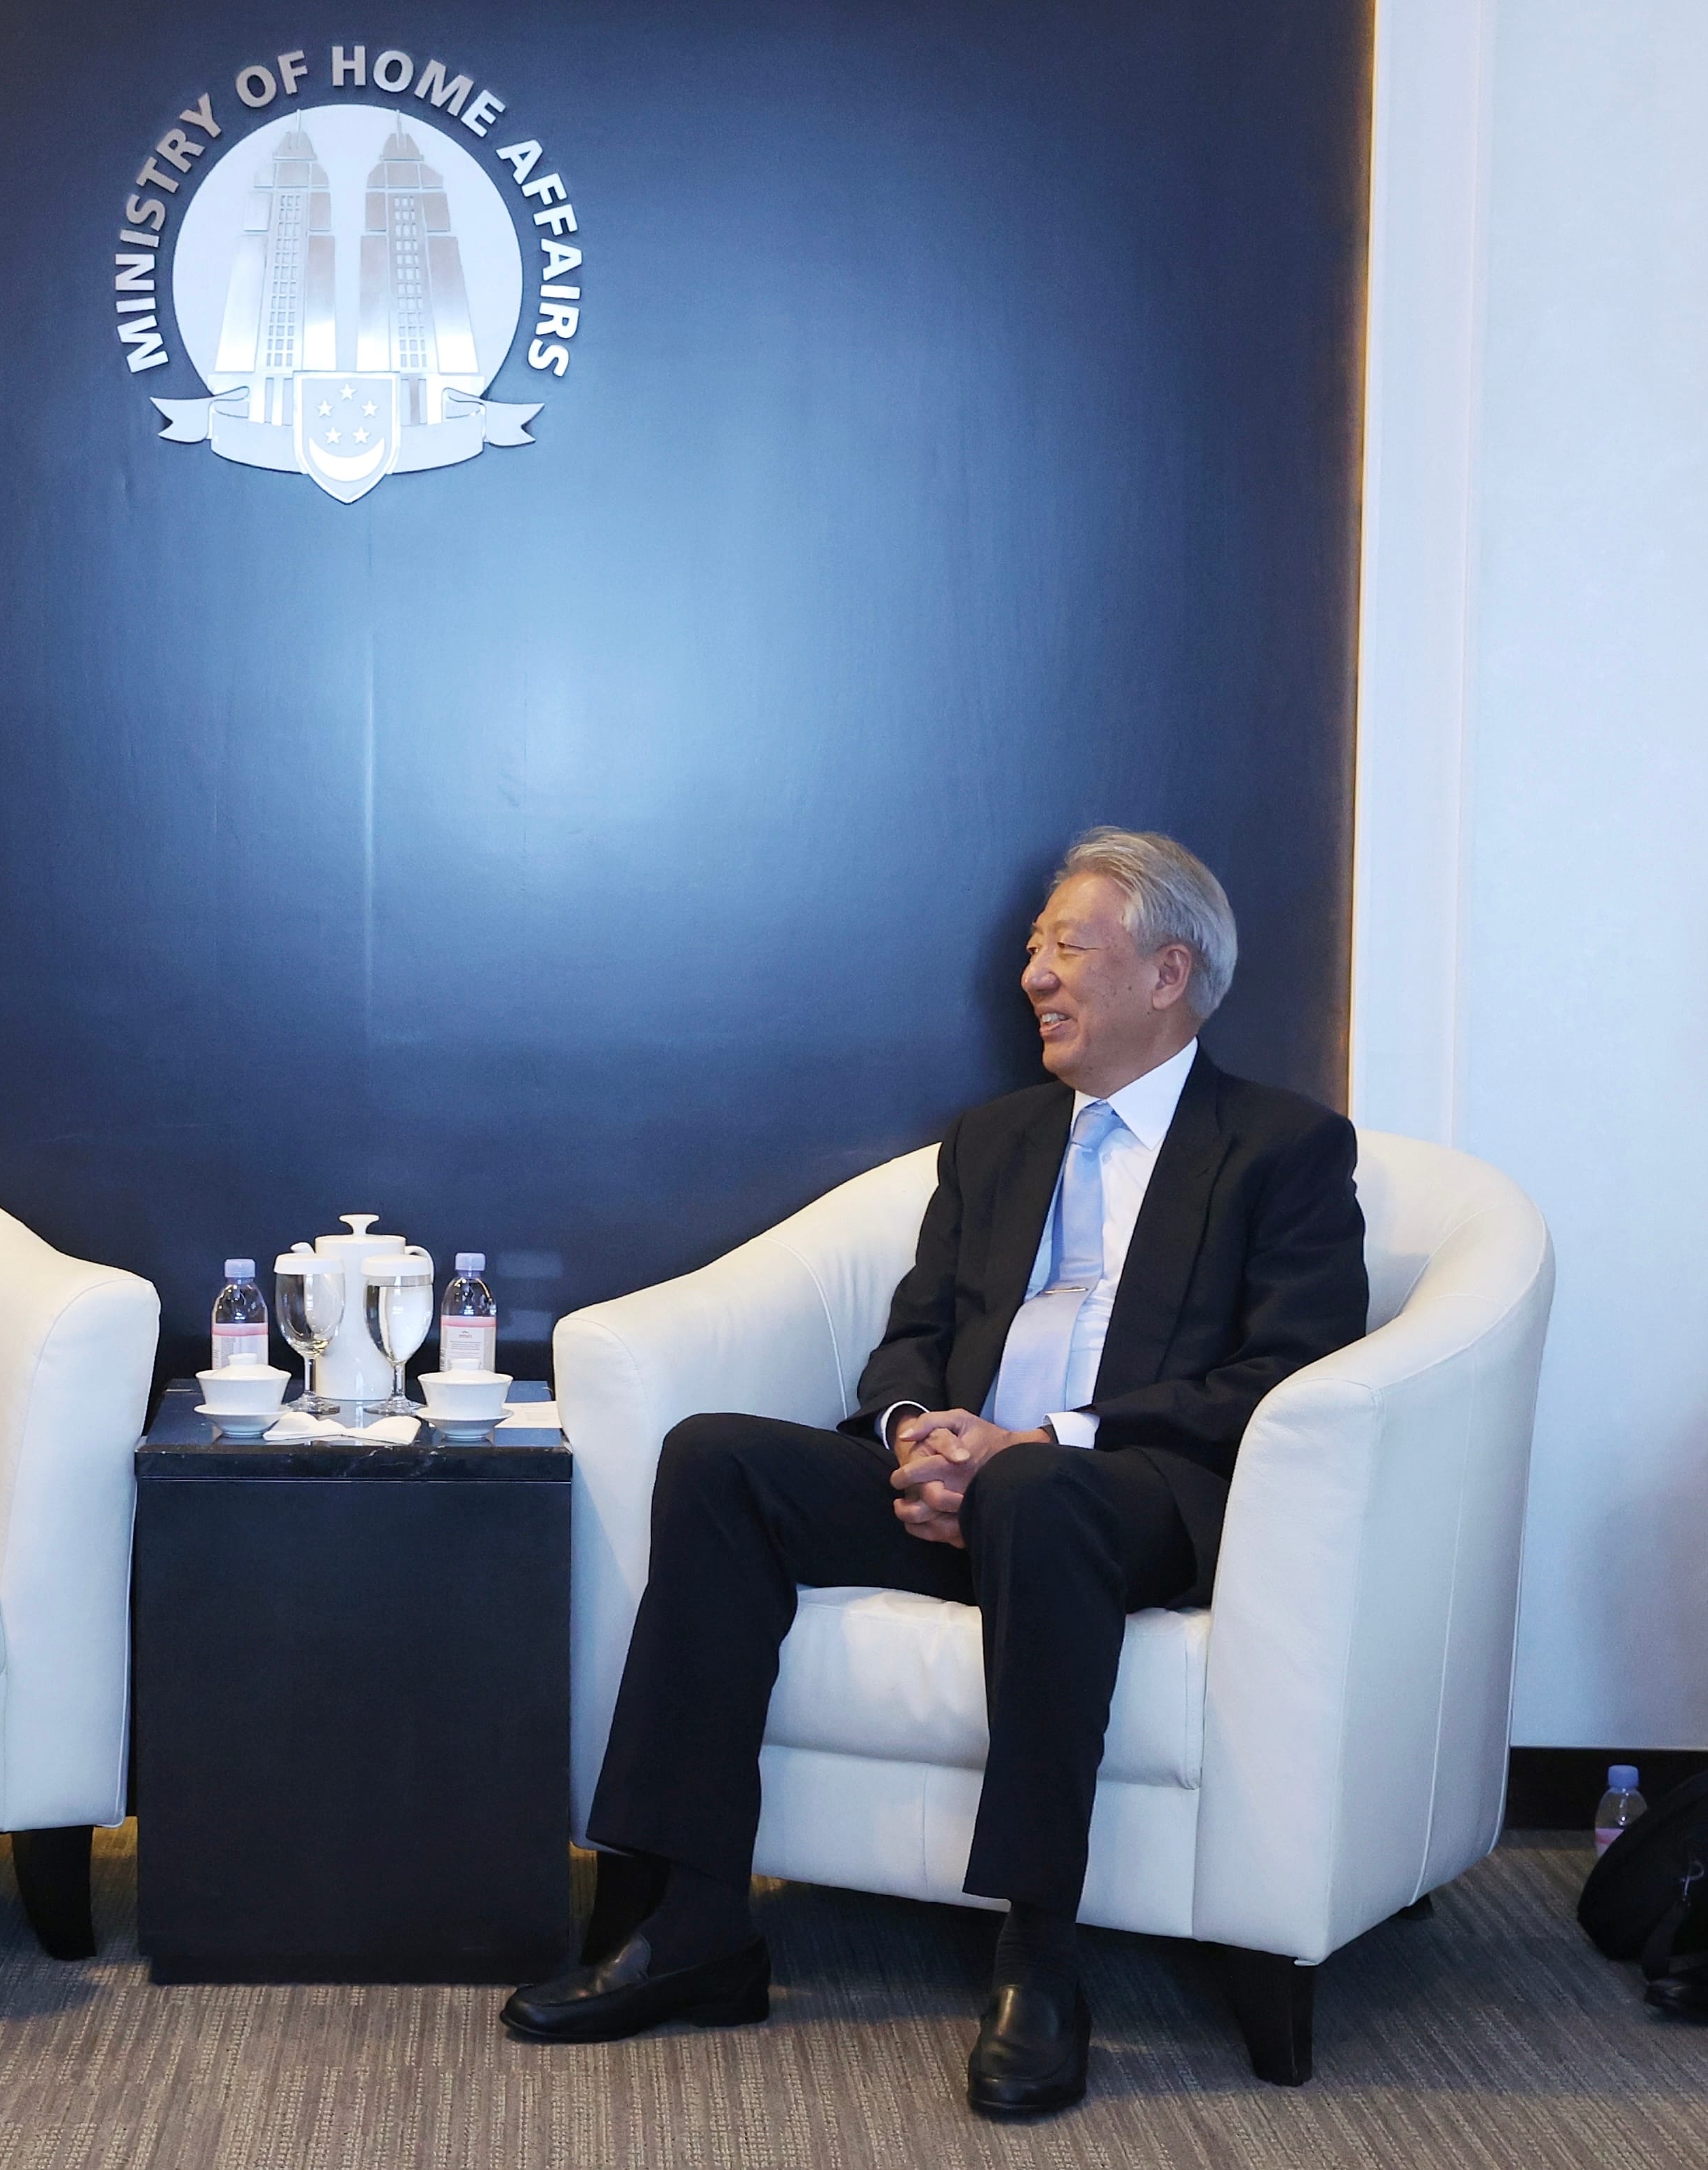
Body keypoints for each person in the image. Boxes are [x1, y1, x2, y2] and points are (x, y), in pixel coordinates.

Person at [501, 828, 1368, 2118]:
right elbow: (911, 1330)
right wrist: (916, 1429)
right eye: (1032, 948)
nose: (1033, 975)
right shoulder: (996, 1139)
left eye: (1068, 947)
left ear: (1168, 971)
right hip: (962, 1482)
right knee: (717, 1457)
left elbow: (1282, 1375)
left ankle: (1040, 1955)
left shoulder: (1281, 1148)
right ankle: (688, 1922)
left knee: (1033, 1492)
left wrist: (1039, 1443)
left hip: (1120, 1497)